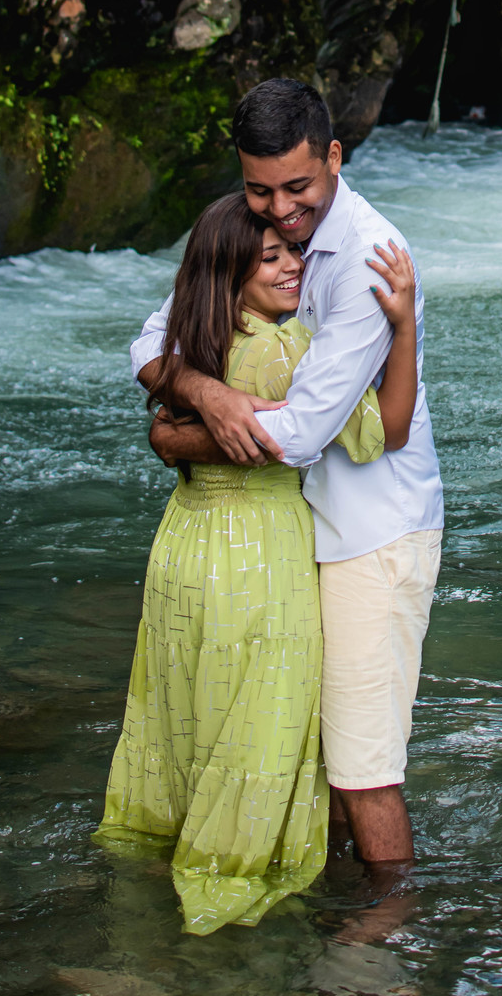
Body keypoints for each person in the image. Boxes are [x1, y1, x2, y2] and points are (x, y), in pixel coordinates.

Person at [133, 78, 444, 904]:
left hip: (372, 533)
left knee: (362, 764)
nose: (280, 212)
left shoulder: (370, 261)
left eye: (298, 189)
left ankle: (387, 930)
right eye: (259, 190)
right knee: (319, 748)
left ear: (334, 158)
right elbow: (147, 339)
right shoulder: (257, 229)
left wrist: (173, 435)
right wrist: (211, 395)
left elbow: (306, 432)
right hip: (295, 535)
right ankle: (332, 898)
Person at [96, 191, 419, 936]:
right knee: (262, 716)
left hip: (185, 541)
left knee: (184, 704)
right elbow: (386, 431)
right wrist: (401, 330)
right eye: (270, 257)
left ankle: (157, 852)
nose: (293, 265)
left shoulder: (190, 347)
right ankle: (247, 870)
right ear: (231, 272)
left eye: (292, 251)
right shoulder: (285, 348)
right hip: (261, 551)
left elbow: (157, 403)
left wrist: (171, 438)